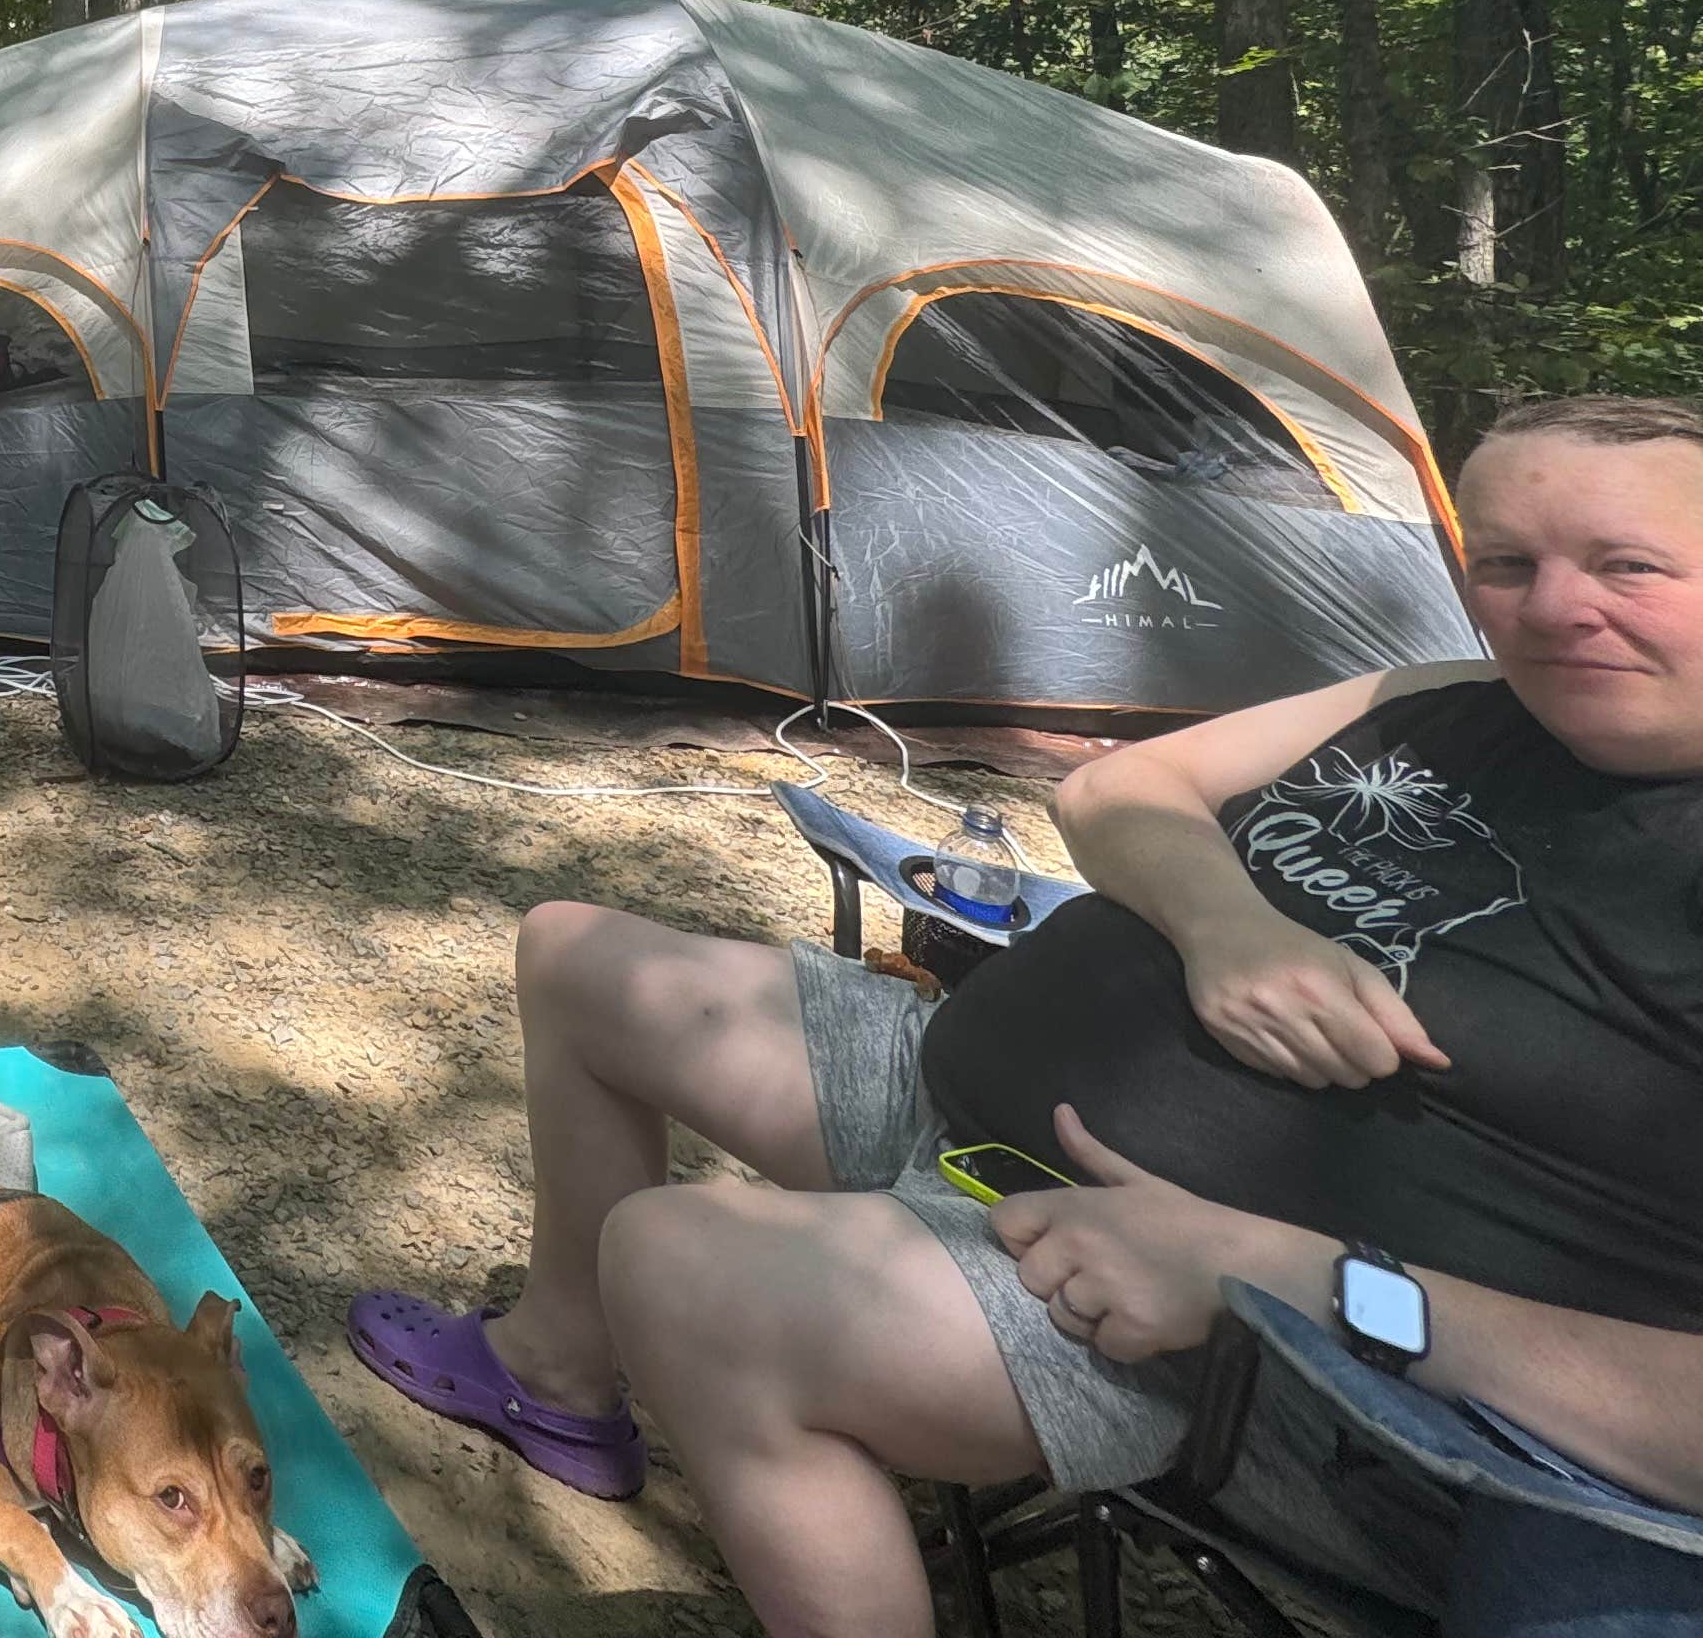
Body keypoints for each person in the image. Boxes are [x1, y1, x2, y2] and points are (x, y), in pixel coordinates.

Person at [341, 395, 1703, 1636]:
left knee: (688, 1266)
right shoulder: (1445, 702)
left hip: (1243, 1337)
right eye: (1506, 564)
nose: (1549, 609)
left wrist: (1275, 1273)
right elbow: (1118, 794)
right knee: (583, 957)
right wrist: (1232, 929)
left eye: (1630, 567)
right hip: (983, 1093)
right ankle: (555, 1378)